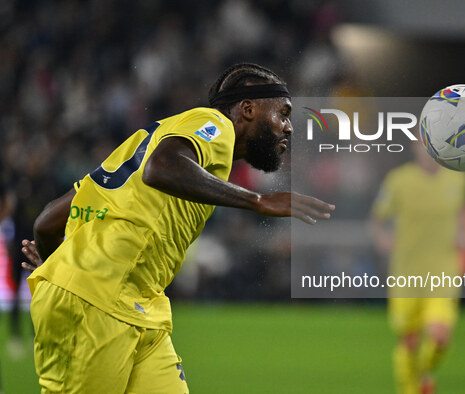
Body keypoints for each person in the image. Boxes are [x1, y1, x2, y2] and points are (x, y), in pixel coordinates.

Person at [21, 63, 335, 393]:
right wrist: (257, 200)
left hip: (141, 308)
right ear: (248, 108)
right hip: (95, 304)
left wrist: (63, 268)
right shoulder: (213, 124)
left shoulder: (153, 142)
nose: (289, 128)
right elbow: (161, 168)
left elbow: (47, 221)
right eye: (283, 114)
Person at [371, 142, 465, 394]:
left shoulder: (458, 180)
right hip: (407, 274)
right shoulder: (398, 180)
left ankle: (423, 373)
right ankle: (413, 388)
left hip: (443, 273)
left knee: (440, 337)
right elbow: (377, 218)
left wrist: (463, 233)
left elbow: (461, 216)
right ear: (415, 147)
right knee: (409, 340)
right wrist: (381, 236)